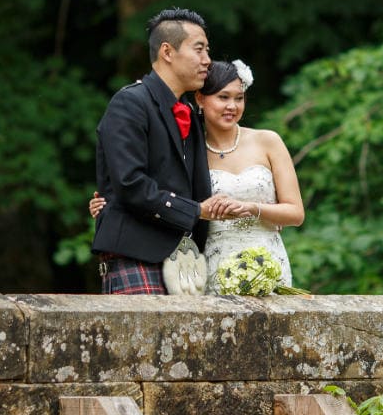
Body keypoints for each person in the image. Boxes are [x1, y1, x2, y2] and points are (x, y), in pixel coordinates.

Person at [91, 58, 304, 293]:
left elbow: (296, 213)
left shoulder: (268, 141)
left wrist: (255, 209)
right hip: (211, 263)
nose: (232, 106)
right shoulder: (189, 150)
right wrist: (112, 203)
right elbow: (158, 192)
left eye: (239, 98)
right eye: (223, 97)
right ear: (200, 99)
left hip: (268, 258)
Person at [93, 7, 237, 295]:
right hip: (136, 254)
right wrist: (196, 210)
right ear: (167, 52)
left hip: (186, 263)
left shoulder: (189, 114)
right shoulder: (129, 104)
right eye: (199, 50)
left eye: (207, 51)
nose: (207, 60)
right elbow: (130, 183)